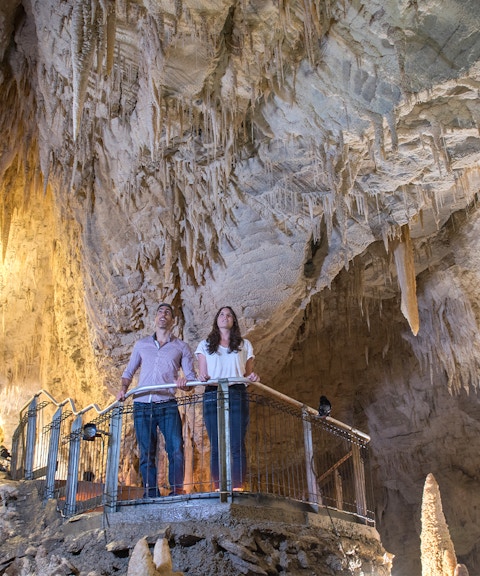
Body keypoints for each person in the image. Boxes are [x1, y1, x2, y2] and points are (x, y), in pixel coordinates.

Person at [117, 302, 196, 497]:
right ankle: (151, 493)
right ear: (154, 318)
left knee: (176, 448)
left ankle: (177, 490)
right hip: (142, 404)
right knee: (146, 452)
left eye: (168, 312)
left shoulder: (181, 347)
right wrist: (123, 389)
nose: (163, 315)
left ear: (173, 321)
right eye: (160, 312)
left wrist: (184, 383)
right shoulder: (141, 344)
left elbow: (191, 378)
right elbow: (129, 371)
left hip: (167, 403)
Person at [195, 306, 259, 490]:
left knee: (237, 442)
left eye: (229, 315)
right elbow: (203, 373)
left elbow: (248, 374)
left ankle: (237, 486)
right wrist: (202, 377)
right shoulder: (205, 345)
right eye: (222, 314)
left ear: (234, 321)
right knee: (216, 442)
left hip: (237, 392)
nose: (225, 317)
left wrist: (253, 377)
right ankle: (218, 486)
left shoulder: (244, 345)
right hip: (213, 392)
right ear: (216, 319)